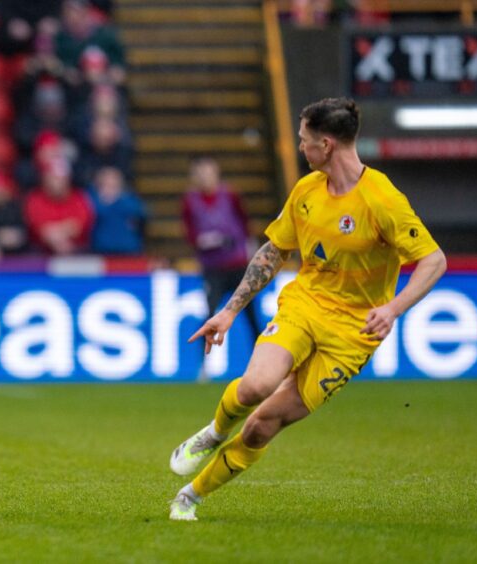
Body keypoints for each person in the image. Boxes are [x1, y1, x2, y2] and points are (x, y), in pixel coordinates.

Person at [168, 98, 446, 521]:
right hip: (306, 304)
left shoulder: (382, 200)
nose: (300, 147)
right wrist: (228, 311)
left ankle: (189, 497)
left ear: (327, 144)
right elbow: (274, 250)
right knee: (255, 387)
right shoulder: (306, 190)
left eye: (304, 140)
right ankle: (212, 433)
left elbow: (434, 260)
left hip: (352, 335)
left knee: (263, 424)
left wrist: (393, 308)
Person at [181, 156, 262, 348]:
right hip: (213, 268)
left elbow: (245, 223)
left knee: (251, 316)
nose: (204, 178)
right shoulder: (190, 201)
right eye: (200, 174)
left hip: (238, 265)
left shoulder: (231, 195)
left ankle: (260, 359)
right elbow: (190, 233)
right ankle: (203, 368)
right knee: (209, 315)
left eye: (208, 172)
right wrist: (205, 241)